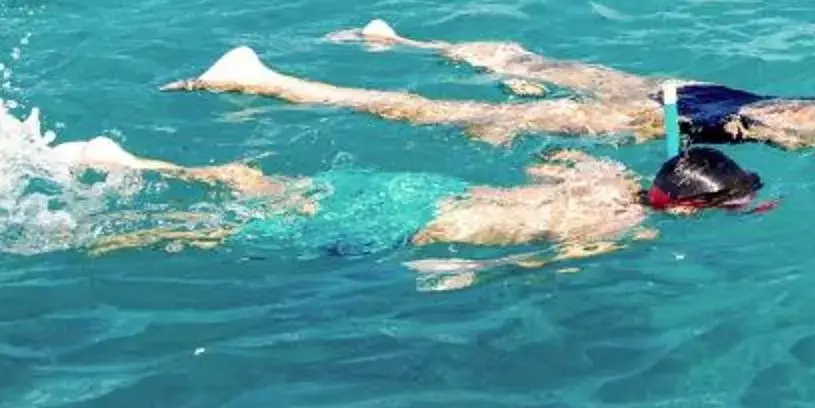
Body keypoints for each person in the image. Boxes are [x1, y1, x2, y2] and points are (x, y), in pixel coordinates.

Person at [167, 21, 815, 189]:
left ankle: (402, 36)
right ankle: (265, 80)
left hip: (707, 90)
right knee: (440, 119)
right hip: (677, 127)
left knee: (536, 61)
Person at [77, 133, 771, 287]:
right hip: (415, 224)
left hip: (420, 187)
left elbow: (550, 156)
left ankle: (134, 162)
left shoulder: (606, 178)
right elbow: (537, 259)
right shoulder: (617, 228)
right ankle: (102, 238)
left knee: (266, 187)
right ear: (683, 210)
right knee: (220, 234)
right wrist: (468, 273)